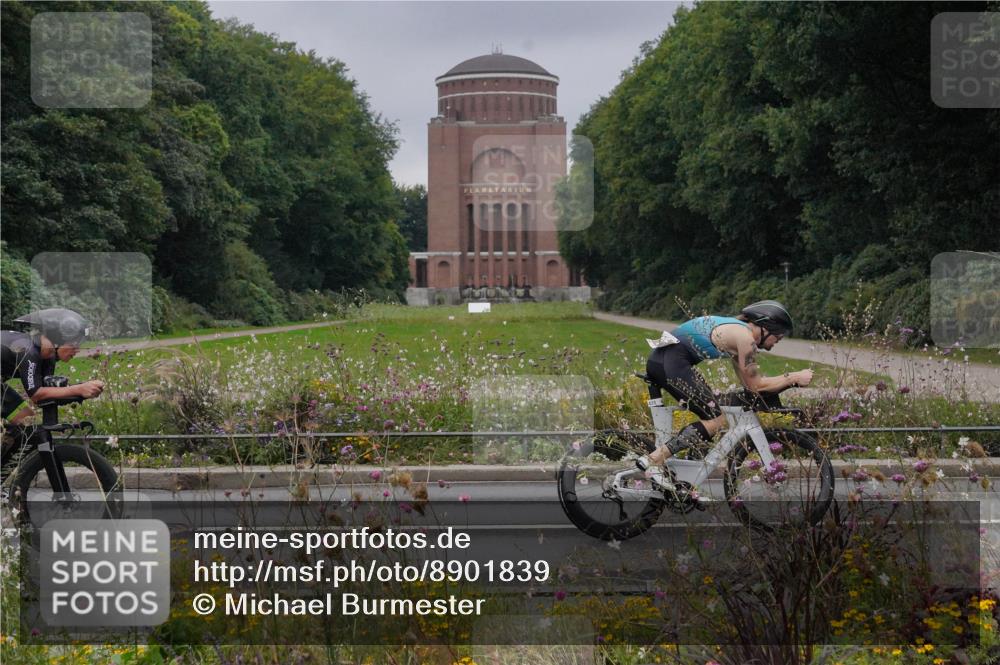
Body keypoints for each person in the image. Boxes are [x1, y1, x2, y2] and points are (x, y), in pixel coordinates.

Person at [636, 300, 813, 491]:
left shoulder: (738, 337)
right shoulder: (746, 340)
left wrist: (785, 381)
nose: (776, 343)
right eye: (778, 337)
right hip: (671, 362)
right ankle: (653, 460)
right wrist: (793, 377)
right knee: (715, 419)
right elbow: (757, 385)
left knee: (712, 411)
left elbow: (751, 386)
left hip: (665, 360)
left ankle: (673, 464)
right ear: (766, 328)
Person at [1, 308, 104, 425]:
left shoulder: (48, 357)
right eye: (74, 344)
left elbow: (47, 392)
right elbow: (36, 395)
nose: (77, 350)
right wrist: (79, 389)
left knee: (26, 421)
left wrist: (83, 387)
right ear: (56, 341)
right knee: (24, 422)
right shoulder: (28, 351)